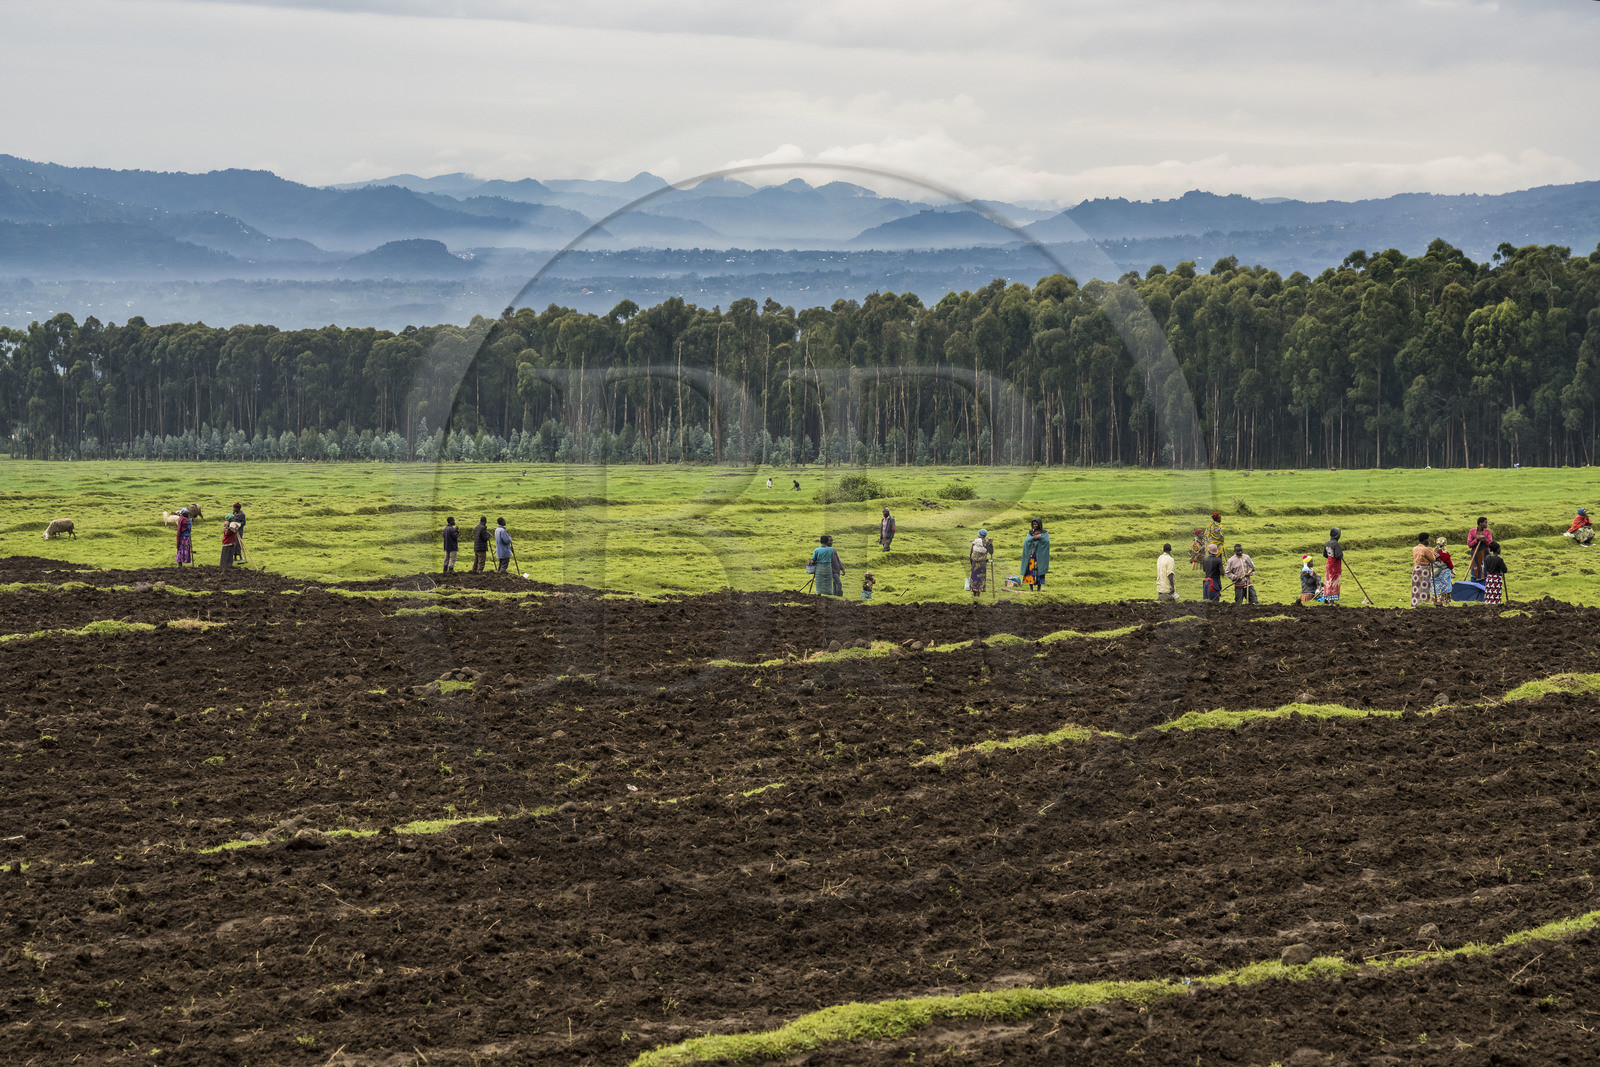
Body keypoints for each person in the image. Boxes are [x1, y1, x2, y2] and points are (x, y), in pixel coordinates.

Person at [1021, 518, 1050, 591]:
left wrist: (1040, 537)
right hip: (1031, 556)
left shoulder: (1044, 533)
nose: (1034, 526)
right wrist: (1033, 538)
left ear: (1039, 524)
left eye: (1035, 524)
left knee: (1039, 572)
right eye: (1033, 524)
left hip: (1040, 557)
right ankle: (1031, 588)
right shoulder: (1031, 532)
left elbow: (1046, 541)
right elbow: (1026, 541)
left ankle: (1038, 588)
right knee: (1030, 572)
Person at [1410, 532, 1436, 608]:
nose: (1428, 541)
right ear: (1424, 540)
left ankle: (1415, 604)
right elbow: (1433, 560)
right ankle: (1423, 604)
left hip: (1416, 569)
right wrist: (1432, 551)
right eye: (1427, 539)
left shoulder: (1415, 548)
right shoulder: (1426, 550)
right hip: (1424, 570)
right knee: (1424, 587)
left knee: (1416, 587)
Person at [1466, 517, 1494, 582]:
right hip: (1475, 554)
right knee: (1475, 569)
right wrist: (1476, 539)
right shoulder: (1472, 531)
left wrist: (1485, 539)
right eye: (1485, 523)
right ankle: (1474, 584)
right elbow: (1469, 544)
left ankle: (1485, 585)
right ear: (1480, 523)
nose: (1486, 524)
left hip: (1485, 554)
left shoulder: (1487, 532)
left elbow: (1490, 543)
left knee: (1485, 569)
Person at [1322, 528, 1344, 605]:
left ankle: (1326, 598)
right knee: (1334, 581)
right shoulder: (1336, 544)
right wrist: (1341, 554)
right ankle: (1332, 600)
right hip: (1335, 565)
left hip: (1329, 564)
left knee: (1328, 580)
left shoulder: (1327, 543)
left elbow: (1325, 554)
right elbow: (1338, 555)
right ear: (1337, 535)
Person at [1432, 536, 1454, 606]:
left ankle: (1435, 601)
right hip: (1444, 573)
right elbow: (1450, 565)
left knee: (1436, 587)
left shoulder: (1434, 552)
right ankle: (1445, 602)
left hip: (1435, 572)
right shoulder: (1445, 553)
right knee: (1446, 588)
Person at [968, 530, 990, 597]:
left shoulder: (975, 542)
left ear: (978, 535)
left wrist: (971, 563)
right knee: (980, 578)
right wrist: (991, 544)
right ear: (985, 536)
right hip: (983, 564)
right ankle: (978, 594)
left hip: (975, 563)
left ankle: (974, 593)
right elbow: (991, 552)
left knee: (974, 578)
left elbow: (971, 553)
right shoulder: (987, 543)